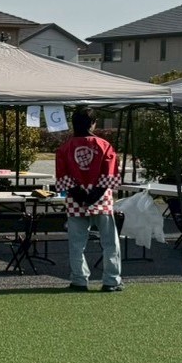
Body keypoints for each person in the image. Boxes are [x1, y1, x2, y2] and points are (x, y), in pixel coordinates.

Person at [54, 108, 123, 293]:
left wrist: (81, 196)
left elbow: (63, 177)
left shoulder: (64, 148)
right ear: (93, 123)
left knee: (76, 244)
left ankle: (79, 280)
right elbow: (109, 176)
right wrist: (93, 196)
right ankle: (111, 281)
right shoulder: (105, 145)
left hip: (75, 202)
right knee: (110, 243)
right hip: (102, 201)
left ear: (73, 124)